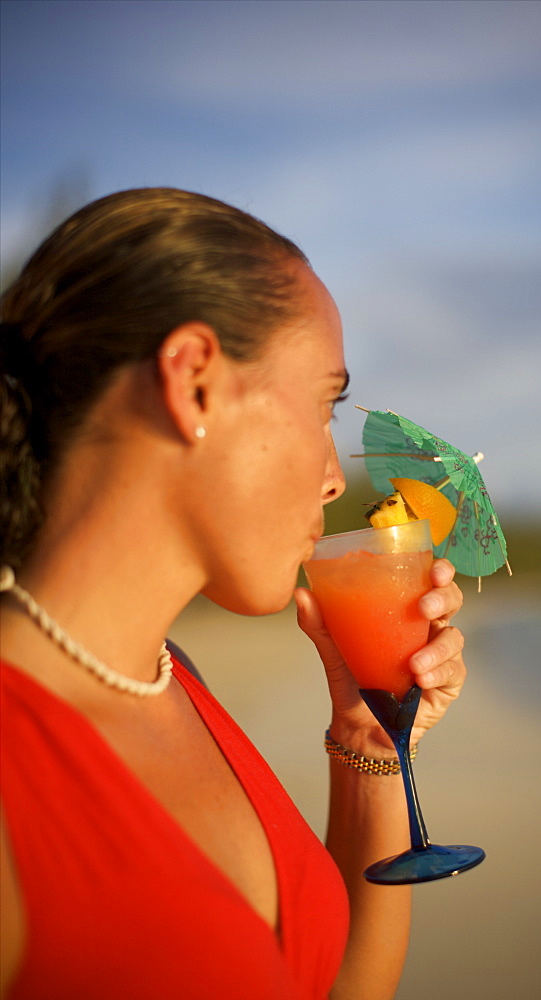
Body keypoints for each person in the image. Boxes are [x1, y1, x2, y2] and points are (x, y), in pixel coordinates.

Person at [0, 188, 468, 1000]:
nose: (333, 479)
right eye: (324, 404)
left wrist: (370, 743)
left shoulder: (174, 681)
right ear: (195, 382)